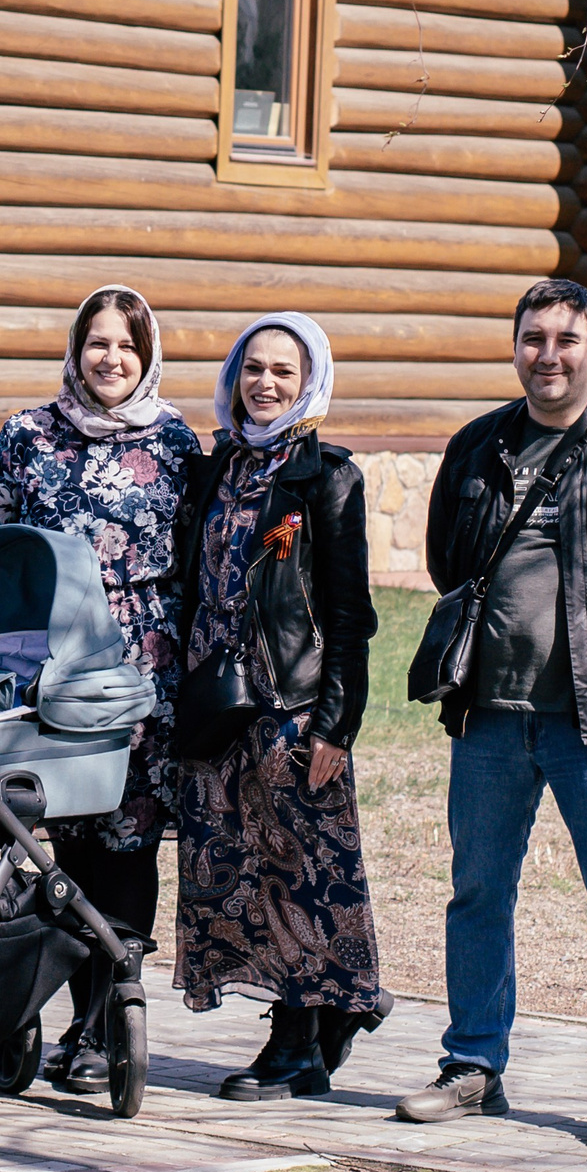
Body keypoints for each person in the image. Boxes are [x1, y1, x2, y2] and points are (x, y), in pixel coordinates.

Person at [395, 278, 587, 1146]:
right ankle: (473, 1066)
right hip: (490, 716)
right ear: (516, 348)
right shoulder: (475, 449)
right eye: (533, 338)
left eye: (567, 340)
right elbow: (446, 561)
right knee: (477, 893)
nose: (549, 355)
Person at [0, 284, 200, 1093]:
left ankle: (105, 1025)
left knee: (126, 842)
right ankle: (36, 1004)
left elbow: (195, 558)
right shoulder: (25, 436)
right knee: (53, 841)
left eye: (127, 346)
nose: (111, 359)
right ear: (75, 350)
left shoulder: (177, 442)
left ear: (146, 356)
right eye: (97, 342)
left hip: (140, 666)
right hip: (44, 666)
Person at [173, 312, 386, 1101]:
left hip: (288, 712)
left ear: (310, 386)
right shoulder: (214, 471)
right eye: (252, 369)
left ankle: (297, 1042)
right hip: (214, 708)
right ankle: (333, 1013)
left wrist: (337, 723)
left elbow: (346, 615)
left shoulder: (328, 478)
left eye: (282, 373)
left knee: (300, 876)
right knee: (233, 871)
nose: (265, 384)